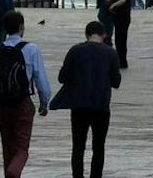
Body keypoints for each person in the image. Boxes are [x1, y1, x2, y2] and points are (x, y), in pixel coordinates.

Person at [0, 9, 51, 178]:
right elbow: (40, 78)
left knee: (7, 146)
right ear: (21, 27)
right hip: (22, 102)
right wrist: (44, 102)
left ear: (5, 29)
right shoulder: (31, 49)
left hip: (2, 104)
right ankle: (14, 172)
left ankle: (9, 173)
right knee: (21, 147)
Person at [52, 20, 123, 178]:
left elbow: (62, 78)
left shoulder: (75, 51)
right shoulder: (110, 53)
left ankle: (77, 176)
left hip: (79, 106)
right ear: (104, 35)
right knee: (99, 146)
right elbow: (116, 82)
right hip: (101, 106)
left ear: (86, 34)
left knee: (78, 146)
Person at [105, 0, 134, 70]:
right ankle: (121, 60)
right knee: (119, 40)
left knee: (120, 40)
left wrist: (113, 6)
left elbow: (123, 0)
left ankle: (122, 60)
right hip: (118, 18)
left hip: (123, 18)